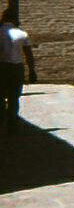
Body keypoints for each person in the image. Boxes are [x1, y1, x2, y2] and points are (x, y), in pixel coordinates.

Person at [0, 8, 36, 136]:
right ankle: (12, 126)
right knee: (14, 97)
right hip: (17, 68)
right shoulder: (22, 34)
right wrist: (32, 70)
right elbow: (28, 55)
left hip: (2, 67)